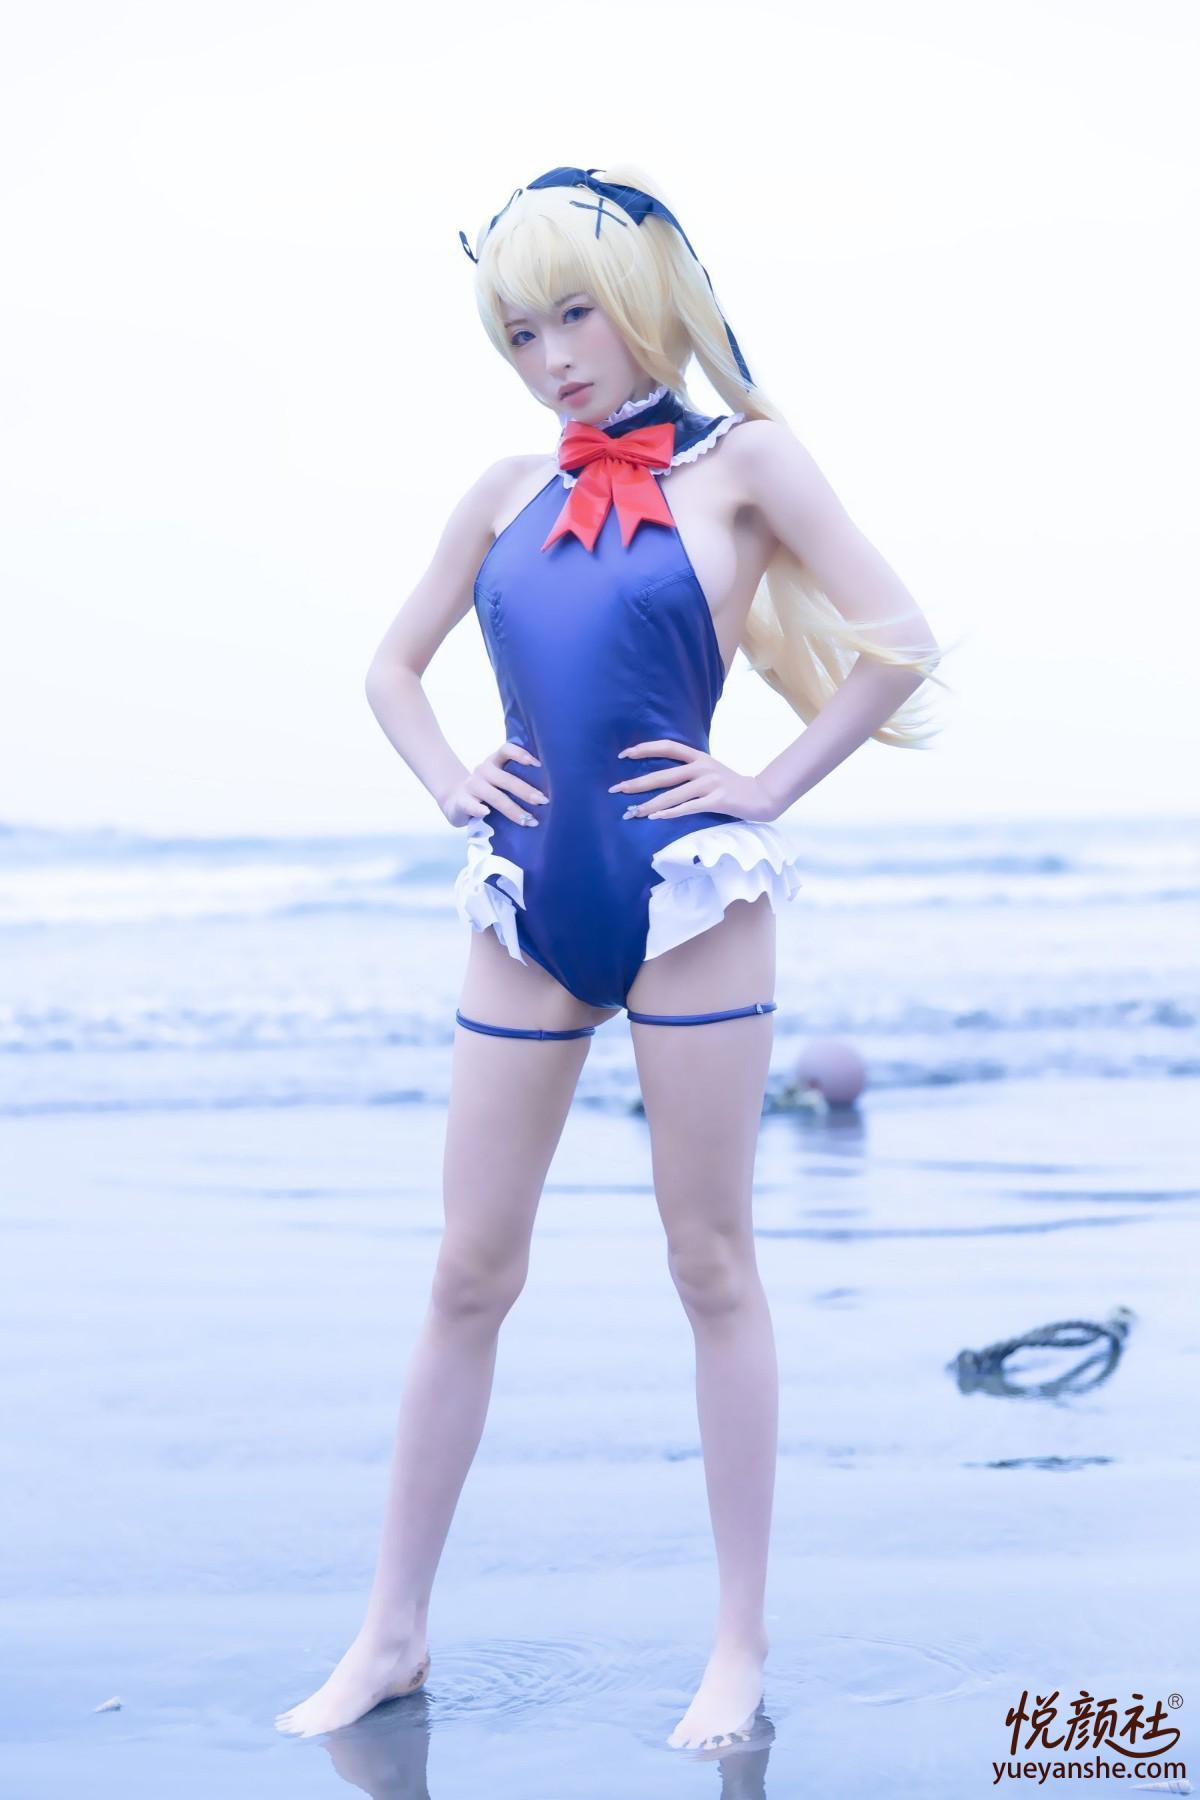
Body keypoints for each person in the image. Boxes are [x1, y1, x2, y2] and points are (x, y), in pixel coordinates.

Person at [275, 162, 947, 1751]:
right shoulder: (502, 490)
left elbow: (901, 638)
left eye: (573, 313)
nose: (550, 356)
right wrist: (450, 782)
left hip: (694, 894)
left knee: (709, 1262)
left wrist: (768, 783)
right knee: (467, 1270)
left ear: (646, 296)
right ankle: (390, 1633)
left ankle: (737, 1645)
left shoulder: (747, 464)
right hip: (526, 899)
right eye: (520, 330)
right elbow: (391, 668)